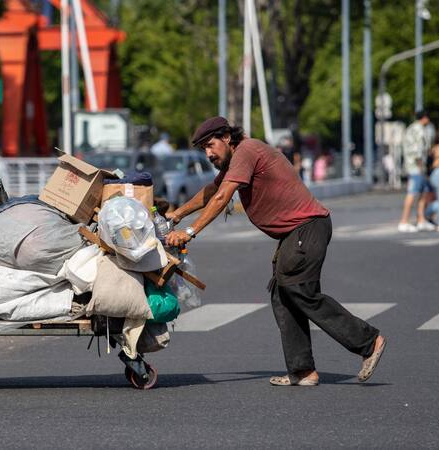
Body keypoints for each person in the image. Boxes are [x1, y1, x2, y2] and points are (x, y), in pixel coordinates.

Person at [164, 116, 386, 386]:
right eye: (203, 150)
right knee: (283, 295)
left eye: (210, 145)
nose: (209, 154)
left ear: (226, 138)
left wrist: (189, 231)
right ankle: (303, 371)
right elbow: (213, 190)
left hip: (307, 228)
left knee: (300, 291)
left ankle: (368, 341)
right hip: (296, 233)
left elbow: (223, 198)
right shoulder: (238, 157)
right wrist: (177, 214)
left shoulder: (246, 151)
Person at [398, 111, 434, 232]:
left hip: (414, 166)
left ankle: (421, 220)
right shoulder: (418, 130)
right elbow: (418, 150)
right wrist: (420, 166)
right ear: (425, 118)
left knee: (424, 192)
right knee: (413, 193)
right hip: (415, 167)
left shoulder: (412, 128)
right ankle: (404, 221)